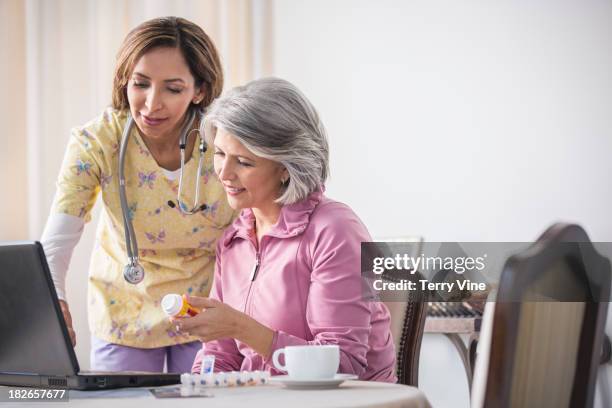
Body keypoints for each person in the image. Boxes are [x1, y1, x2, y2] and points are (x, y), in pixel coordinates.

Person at [40, 17, 235, 373]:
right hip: (124, 310)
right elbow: (57, 242)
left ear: (200, 90)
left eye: (173, 89)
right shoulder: (97, 141)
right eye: (140, 84)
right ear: (124, 80)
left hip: (206, 307)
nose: (150, 104)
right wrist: (55, 303)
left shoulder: (226, 141)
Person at [174, 77, 397, 381]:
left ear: (285, 168)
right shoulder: (234, 240)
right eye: (220, 154)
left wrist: (240, 327)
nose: (224, 173)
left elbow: (343, 364)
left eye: (243, 162)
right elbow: (220, 355)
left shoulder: (335, 231)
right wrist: (197, 388)